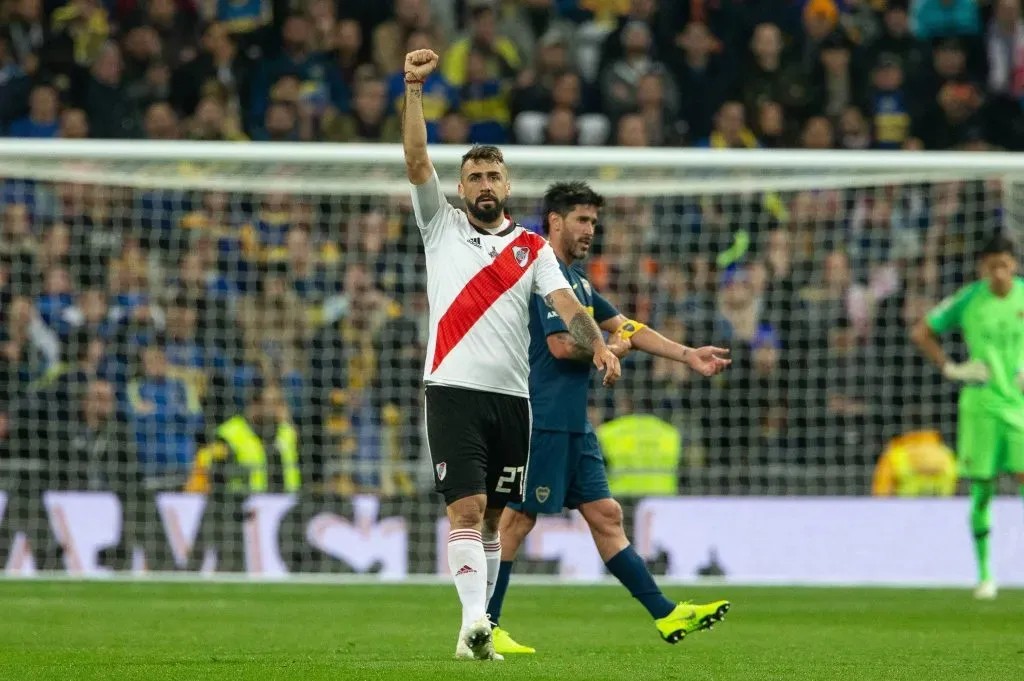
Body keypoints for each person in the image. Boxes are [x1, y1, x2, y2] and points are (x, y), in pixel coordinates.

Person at [402, 49, 621, 661]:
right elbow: (417, 159)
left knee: (497, 519)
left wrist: (599, 343)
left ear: (507, 185)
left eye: (493, 176)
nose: (484, 186)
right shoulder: (440, 226)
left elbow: (567, 305)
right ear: (463, 187)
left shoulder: (531, 247)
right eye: (473, 177)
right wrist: (414, 90)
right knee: (466, 509)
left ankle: (477, 632)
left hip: (514, 398)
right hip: (451, 388)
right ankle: (476, 621)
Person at [485, 181, 731, 654]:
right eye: (582, 220)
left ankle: (665, 614)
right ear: (554, 221)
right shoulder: (543, 273)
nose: (590, 231)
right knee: (517, 521)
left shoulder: (579, 283)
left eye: (594, 222)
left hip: (574, 423)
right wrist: (608, 348)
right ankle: (485, 624)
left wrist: (687, 355)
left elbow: (629, 329)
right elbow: (561, 346)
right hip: (544, 416)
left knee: (606, 514)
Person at [910, 233, 1024, 600]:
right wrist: (952, 369)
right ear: (982, 268)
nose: (999, 273)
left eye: (1004, 265)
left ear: (1014, 265)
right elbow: (923, 331)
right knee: (982, 490)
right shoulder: (970, 298)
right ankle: (986, 575)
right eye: (992, 266)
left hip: (1019, 407)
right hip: (981, 408)